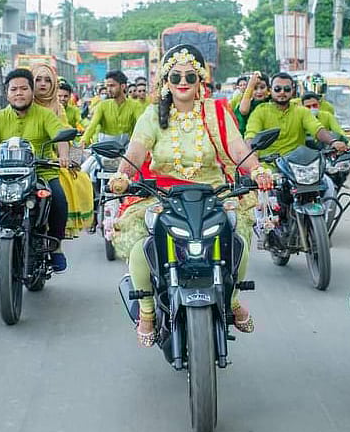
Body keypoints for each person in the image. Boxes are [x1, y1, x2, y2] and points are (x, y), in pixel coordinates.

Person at [107, 45, 274, 346]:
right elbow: (136, 151)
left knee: (238, 239)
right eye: (176, 77)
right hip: (162, 196)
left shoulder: (216, 112)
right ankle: (147, 312)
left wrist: (257, 170)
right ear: (166, 82)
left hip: (213, 194)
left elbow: (238, 149)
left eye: (189, 76)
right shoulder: (151, 114)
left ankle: (233, 300)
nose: (182, 82)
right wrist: (122, 176)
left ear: (200, 81)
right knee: (140, 247)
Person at [0, 68, 71, 272]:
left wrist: (64, 156)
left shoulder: (45, 115)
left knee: (59, 200)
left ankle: (55, 247)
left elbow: (60, 137)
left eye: (24, 88)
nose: (19, 93)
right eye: (14, 89)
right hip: (4, 175)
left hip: (41, 173)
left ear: (32, 91)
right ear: (7, 93)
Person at [32, 63, 95, 239]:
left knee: (62, 196)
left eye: (47, 80)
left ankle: (55, 243)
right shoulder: (22, 104)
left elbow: (64, 133)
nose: (43, 84)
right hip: (20, 163)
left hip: (49, 162)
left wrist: (68, 157)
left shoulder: (58, 108)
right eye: (38, 80)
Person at [244, 72, 348, 159]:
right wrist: (251, 152)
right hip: (268, 166)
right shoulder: (260, 111)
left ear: (292, 91)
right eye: (277, 89)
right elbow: (251, 134)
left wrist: (333, 142)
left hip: (298, 165)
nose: (282, 92)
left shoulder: (302, 111)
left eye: (287, 89)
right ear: (270, 90)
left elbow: (316, 128)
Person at [79, 70, 144, 146]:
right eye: (107, 86)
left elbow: (142, 125)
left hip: (127, 147)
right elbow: (92, 126)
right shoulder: (102, 105)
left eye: (112, 86)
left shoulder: (135, 105)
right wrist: (83, 141)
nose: (109, 89)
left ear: (123, 86)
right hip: (105, 148)